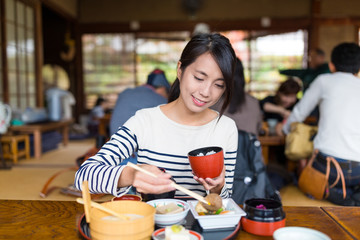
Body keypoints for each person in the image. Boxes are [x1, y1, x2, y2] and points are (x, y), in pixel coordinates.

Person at [74, 33, 238, 199]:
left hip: (200, 224)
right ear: (180, 70)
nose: (206, 92)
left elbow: (224, 199)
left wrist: (217, 189)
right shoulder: (145, 121)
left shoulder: (226, 128)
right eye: (199, 78)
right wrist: (130, 175)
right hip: (151, 223)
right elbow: (83, 177)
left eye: (218, 85)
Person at [283, 42, 360, 206]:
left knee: (297, 172)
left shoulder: (324, 81)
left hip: (327, 169)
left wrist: (284, 130)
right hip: (358, 172)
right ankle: (350, 196)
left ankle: (328, 191)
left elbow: (299, 112)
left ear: (332, 65)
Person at [109, 69, 170, 136]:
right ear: (162, 88)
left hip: (114, 140)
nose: (166, 96)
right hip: (136, 143)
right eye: (167, 92)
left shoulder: (125, 92)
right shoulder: (160, 100)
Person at [212, 58, 262, 136]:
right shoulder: (254, 102)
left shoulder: (214, 102)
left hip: (221, 147)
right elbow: (258, 129)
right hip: (249, 147)